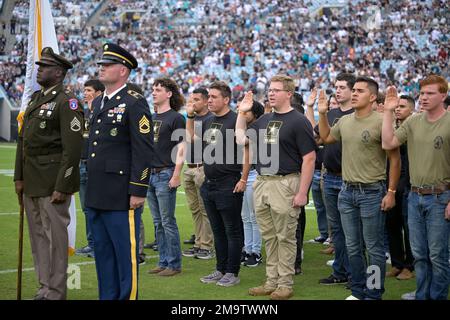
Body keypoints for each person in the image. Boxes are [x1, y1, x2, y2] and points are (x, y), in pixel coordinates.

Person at [318, 76, 401, 300]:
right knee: (353, 247)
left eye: (360, 91)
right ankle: (357, 291)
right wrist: (323, 113)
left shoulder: (381, 120)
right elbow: (325, 137)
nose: (354, 93)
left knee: (373, 249)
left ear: (372, 96)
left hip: (372, 193)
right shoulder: (344, 121)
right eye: (353, 90)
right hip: (346, 192)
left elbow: (394, 159)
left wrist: (391, 192)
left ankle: (373, 293)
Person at [236, 75, 316, 300]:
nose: (271, 93)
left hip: (285, 182)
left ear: (289, 94)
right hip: (262, 182)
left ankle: (285, 283)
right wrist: (242, 113)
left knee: (286, 237)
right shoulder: (263, 119)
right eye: (270, 90)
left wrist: (302, 192)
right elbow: (241, 139)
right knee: (269, 236)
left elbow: (309, 159)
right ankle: (271, 281)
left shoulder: (298, 120)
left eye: (277, 90)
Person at [85, 43, 154, 300]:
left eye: (107, 65)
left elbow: (144, 150)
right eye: (101, 64)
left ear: (123, 71)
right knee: (102, 254)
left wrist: (138, 189)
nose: (101, 68)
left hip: (121, 194)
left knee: (125, 257)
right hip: (96, 192)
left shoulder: (134, 102)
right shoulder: (99, 103)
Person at [14, 47, 83, 300]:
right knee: (39, 240)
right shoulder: (35, 99)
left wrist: (63, 186)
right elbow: (24, 142)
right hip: (32, 180)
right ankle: (44, 287)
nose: (39, 69)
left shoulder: (67, 102)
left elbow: (72, 149)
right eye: (39, 66)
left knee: (55, 242)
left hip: (53, 182)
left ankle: (55, 292)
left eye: (44, 67)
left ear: (58, 73)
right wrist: (18, 177)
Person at [382, 74, 449, 300]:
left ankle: (436, 296)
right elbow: (388, 143)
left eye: (430, 93)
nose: (424, 98)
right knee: (420, 254)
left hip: (441, 196)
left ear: (444, 95)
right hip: (414, 195)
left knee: (438, 255)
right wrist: (389, 112)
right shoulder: (413, 121)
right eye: (422, 93)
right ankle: (422, 295)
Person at [186, 81, 248, 287]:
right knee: (217, 230)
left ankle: (232, 271)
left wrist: (243, 178)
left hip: (228, 182)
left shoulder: (235, 120)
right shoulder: (209, 120)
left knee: (232, 230)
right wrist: (190, 117)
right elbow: (192, 138)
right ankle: (220, 268)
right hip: (209, 183)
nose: (209, 100)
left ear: (226, 99)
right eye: (209, 97)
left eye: (213, 97)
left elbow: (247, 149)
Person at [316, 73, 355, 287]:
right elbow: (321, 138)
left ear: (352, 90)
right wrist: (320, 113)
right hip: (329, 177)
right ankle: (340, 270)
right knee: (337, 230)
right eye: (336, 87)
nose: (338, 90)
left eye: (342, 87)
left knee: (353, 230)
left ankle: (354, 273)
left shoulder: (357, 114)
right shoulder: (331, 113)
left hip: (349, 178)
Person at [146, 77, 185, 277]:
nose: (154, 92)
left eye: (158, 89)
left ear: (169, 94)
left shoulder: (176, 118)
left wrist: (177, 174)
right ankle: (162, 261)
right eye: (153, 89)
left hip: (166, 173)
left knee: (167, 221)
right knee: (157, 222)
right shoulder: (152, 117)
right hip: (150, 175)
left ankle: (174, 264)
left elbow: (181, 147)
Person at [182, 88, 214, 260]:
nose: (192, 103)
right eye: (191, 99)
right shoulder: (191, 118)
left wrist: (191, 118)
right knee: (194, 209)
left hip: (203, 167)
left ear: (205, 101)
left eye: (196, 99)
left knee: (205, 210)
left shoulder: (210, 119)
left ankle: (206, 245)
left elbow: (193, 138)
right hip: (190, 166)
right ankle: (198, 242)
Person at [385, 95, 415, 281]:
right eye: (397, 106)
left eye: (402, 106)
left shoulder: (415, 127)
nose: (398, 109)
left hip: (409, 180)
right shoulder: (392, 128)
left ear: (411, 110)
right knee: (391, 223)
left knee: (408, 226)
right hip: (392, 180)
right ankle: (397, 263)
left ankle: (409, 266)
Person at [76, 79, 104, 259]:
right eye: (84, 90)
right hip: (81, 164)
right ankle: (92, 243)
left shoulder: (103, 113)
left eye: (88, 90)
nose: (85, 93)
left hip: (96, 166)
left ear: (99, 93)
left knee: (97, 207)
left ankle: (99, 245)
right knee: (86, 208)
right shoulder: (84, 113)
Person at [236, 98, 264, 267]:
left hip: (252, 174)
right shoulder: (245, 128)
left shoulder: (255, 129)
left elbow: (248, 154)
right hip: (244, 174)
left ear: (255, 114)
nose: (243, 113)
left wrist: (243, 178)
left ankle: (256, 251)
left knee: (254, 217)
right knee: (245, 216)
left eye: (247, 111)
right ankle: (247, 249)